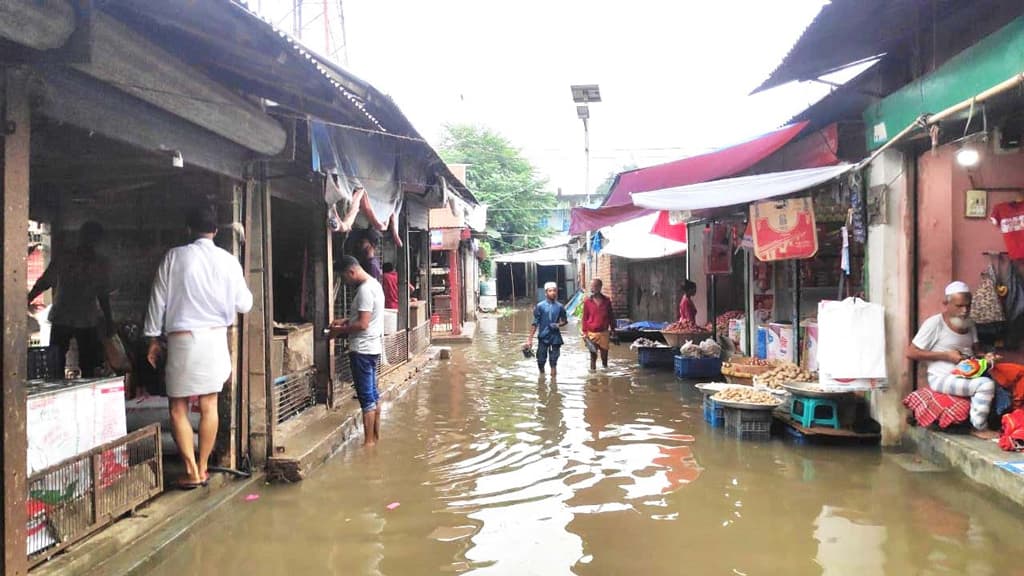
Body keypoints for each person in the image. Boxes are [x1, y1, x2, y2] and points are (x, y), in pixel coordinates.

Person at [144, 205, 253, 489]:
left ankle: (191, 471)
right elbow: (245, 304)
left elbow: (158, 298)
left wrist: (152, 337)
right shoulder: (229, 261)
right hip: (216, 339)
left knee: (178, 408)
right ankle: (204, 466)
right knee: (209, 404)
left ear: (189, 230)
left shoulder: (175, 256)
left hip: (183, 340)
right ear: (215, 231)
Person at [906, 281, 997, 435]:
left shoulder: (970, 323)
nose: (965, 311)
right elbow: (911, 353)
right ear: (946, 303)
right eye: (959, 306)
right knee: (985, 385)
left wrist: (987, 357)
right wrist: (946, 355)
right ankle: (979, 427)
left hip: (968, 374)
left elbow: (976, 352)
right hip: (942, 377)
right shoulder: (934, 324)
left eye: (968, 306)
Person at [28, 221, 114, 378]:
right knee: (80, 362)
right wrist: (109, 321)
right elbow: (103, 296)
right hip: (81, 318)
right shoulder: (97, 263)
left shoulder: (68, 258)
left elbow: (45, 282)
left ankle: (60, 390)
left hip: (69, 316)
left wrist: (28, 299)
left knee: (59, 360)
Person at [328, 255, 385, 446]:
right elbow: (367, 317)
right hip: (373, 348)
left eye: (344, 278)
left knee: (366, 398)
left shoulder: (364, 291)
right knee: (373, 395)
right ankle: (375, 438)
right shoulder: (375, 285)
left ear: (351, 271)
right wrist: (345, 320)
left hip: (362, 350)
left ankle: (368, 444)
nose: (345, 282)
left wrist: (338, 331)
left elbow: (362, 324)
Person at [527, 282, 568, 378]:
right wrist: (530, 339)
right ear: (546, 293)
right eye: (550, 291)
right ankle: (542, 377)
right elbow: (535, 323)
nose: (553, 293)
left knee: (553, 361)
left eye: (554, 290)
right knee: (541, 361)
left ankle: (554, 383)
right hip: (543, 337)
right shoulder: (540, 306)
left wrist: (558, 325)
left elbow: (565, 321)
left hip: (555, 338)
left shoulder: (560, 307)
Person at [582, 278, 615, 370]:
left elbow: (611, 316)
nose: (593, 288)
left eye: (595, 286)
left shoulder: (607, 301)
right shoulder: (587, 301)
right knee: (593, 357)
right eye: (592, 286)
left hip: (604, 333)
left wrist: (613, 330)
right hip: (591, 334)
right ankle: (593, 379)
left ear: (600, 287)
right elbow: (584, 318)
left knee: (604, 358)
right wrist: (585, 333)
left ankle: (605, 379)